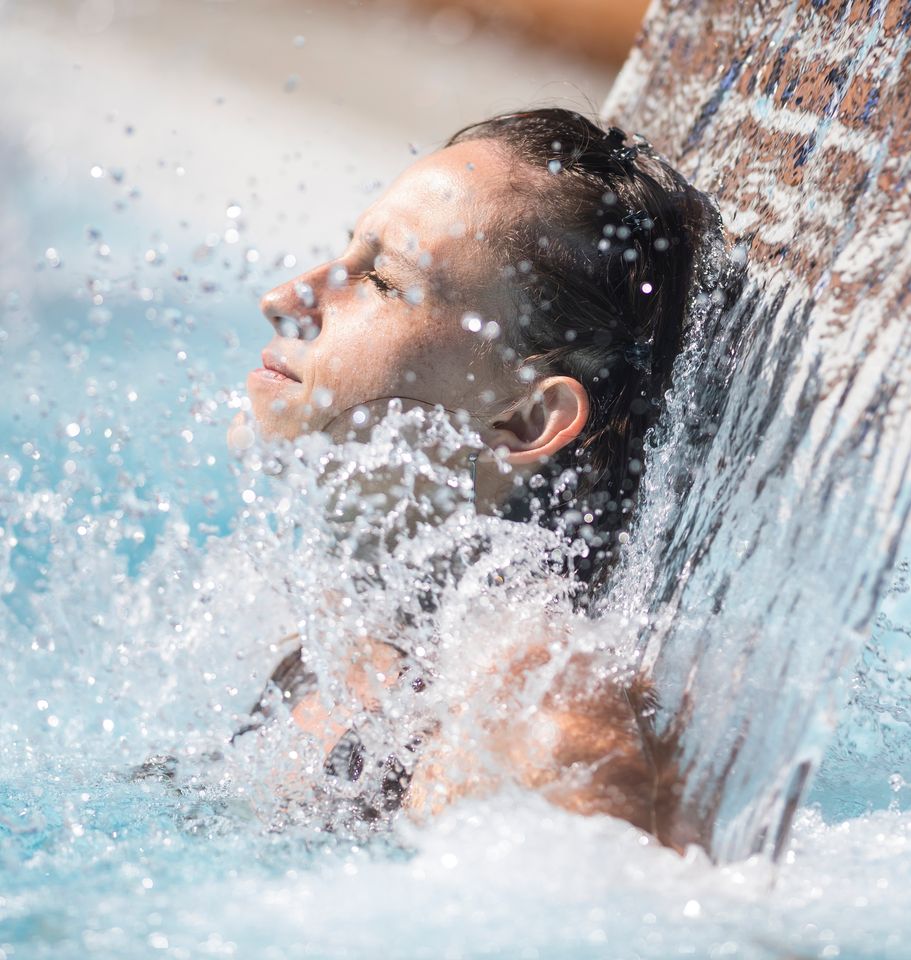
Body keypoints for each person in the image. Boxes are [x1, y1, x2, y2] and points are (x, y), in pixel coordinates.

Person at [230, 108, 720, 848]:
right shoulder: (349, 609)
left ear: (525, 420)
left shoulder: (538, 721)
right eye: (345, 253)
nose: (287, 299)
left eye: (383, 282)